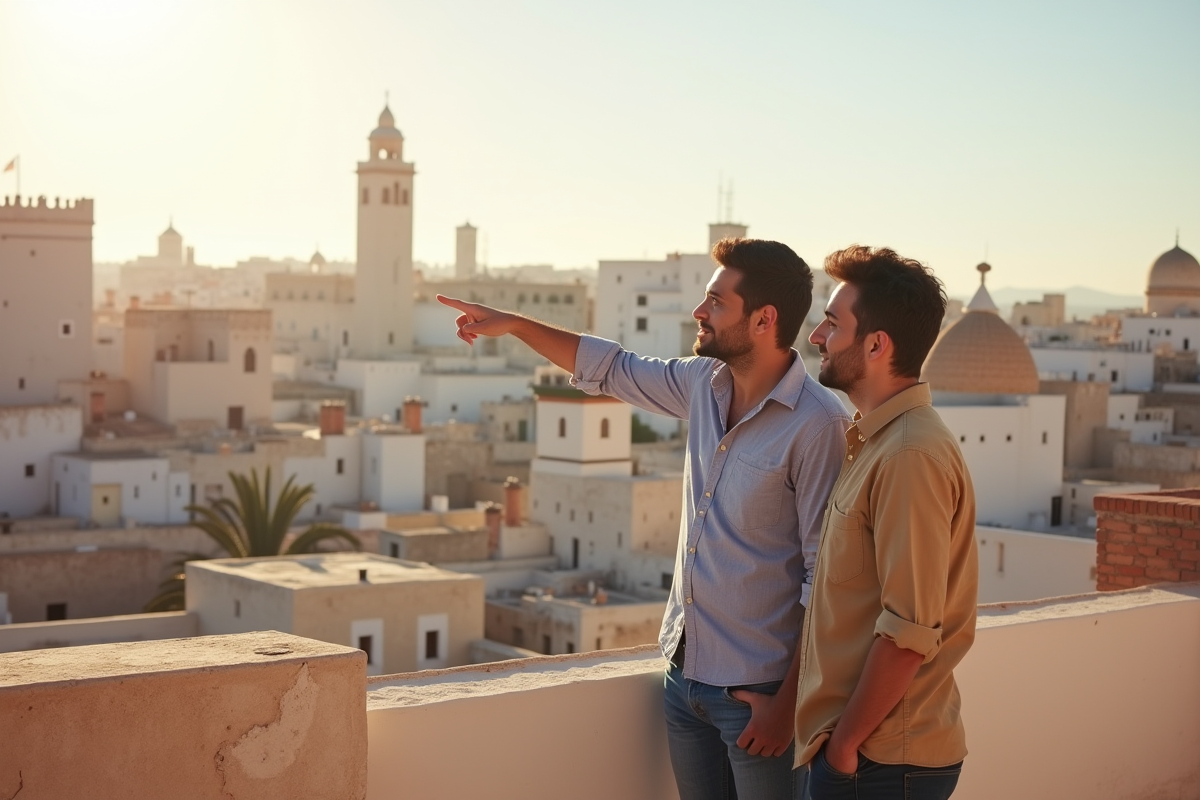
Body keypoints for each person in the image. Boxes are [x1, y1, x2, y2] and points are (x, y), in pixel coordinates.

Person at [439, 237, 849, 800]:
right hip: (684, 678)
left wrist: (786, 707)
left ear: (764, 319)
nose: (698, 312)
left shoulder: (818, 424)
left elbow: (821, 579)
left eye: (716, 303)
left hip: (759, 695)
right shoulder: (702, 385)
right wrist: (513, 325)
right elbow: (610, 367)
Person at [795, 245, 979, 800]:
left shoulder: (907, 455)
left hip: (878, 763)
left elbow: (908, 631)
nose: (815, 338)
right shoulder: (876, 443)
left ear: (876, 344)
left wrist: (844, 751)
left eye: (831, 323)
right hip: (863, 756)